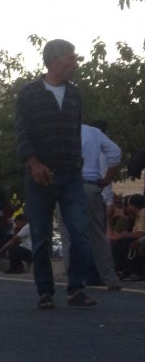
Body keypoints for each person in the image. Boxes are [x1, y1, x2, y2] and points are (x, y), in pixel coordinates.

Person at [15, 38, 98, 309]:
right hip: (40, 176)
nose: (76, 63)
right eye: (71, 58)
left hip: (71, 174)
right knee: (41, 237)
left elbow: (75, 132)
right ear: (54, 61)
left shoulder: (74, 94)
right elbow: (22, 133)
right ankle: (45, 292)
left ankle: (76, 289)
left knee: (80, 232)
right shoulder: (29, 93)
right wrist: (34, 164)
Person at [60, 123, 122, 290]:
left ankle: (75, 281)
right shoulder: (94, 132)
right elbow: (115, 152)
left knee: (68, 236)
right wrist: (107, 179)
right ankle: (110, 279)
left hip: (66, 186)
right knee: (97, 235)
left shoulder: (60, 129)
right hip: (90, 185)